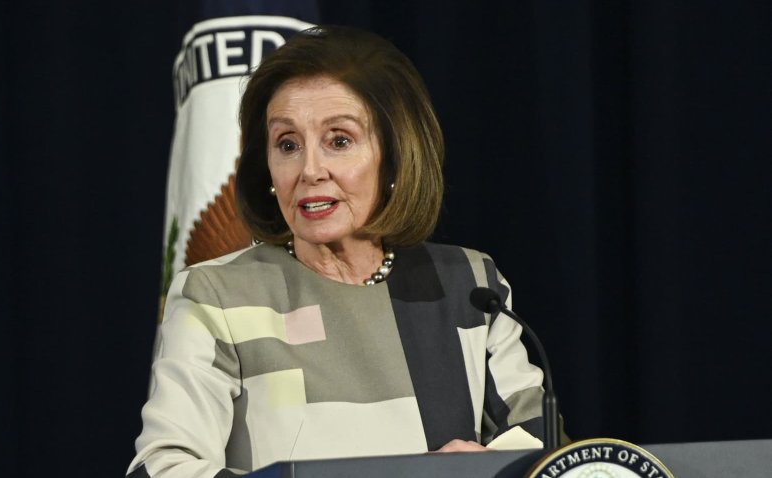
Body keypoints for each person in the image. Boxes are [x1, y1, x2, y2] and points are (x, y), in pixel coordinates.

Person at [128, 25, 553, 478]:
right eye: (287, 144)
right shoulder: (218, 295)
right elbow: (162, 468)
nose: (310, 169)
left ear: (394, 156)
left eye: (339, 141)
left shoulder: (468, 285)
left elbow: (542, 447)